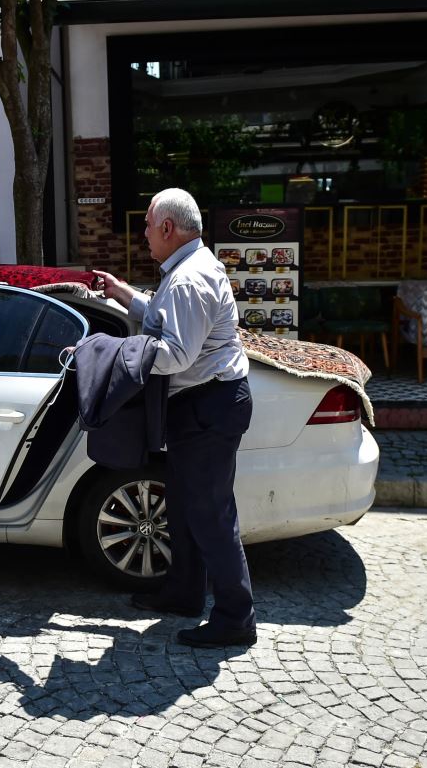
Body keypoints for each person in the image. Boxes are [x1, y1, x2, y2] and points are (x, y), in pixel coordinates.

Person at [93, 187, 256, 649]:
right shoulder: (186, 269)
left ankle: (236, 617)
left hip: (209, 404)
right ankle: (184, 594)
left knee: (210, 514)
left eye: (147, 224)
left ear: (167, 228)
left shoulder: (188, 278)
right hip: (202, 403)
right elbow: (169, 321)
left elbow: (176, 353)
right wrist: (126, 296)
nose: (143, 232)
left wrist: (120, 353)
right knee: (186, 507)